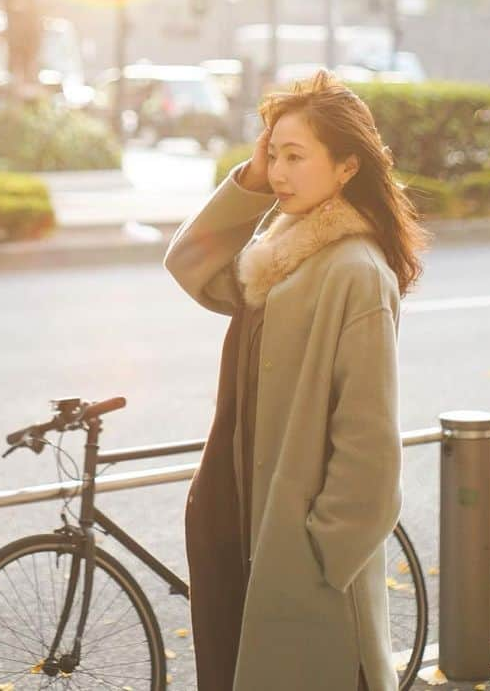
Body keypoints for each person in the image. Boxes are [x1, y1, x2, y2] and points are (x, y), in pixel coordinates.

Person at [164, 70, 429, 691]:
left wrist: (318, 558)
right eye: (272, 154)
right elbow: (189, 264)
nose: (279, 172)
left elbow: (369, 450)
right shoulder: (276, 258)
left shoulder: (354, 272)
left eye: (295, 156)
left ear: (346, 168)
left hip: (292, 552)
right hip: (235, 526)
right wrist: (250, 182)